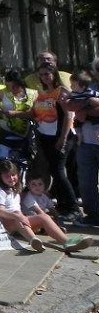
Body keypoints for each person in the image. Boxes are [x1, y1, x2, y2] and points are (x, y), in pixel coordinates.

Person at [0, 159, 90, 253]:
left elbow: (26, 195)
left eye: (13, 175)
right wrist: (17, 216)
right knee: (18, 214)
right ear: (0, 177)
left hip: (20, 222)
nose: (11, 178)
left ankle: (67, 242)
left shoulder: (15, 188)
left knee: (44, 217)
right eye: (7, 176)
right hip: (5, 223)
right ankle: (33, 240)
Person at [31, 62, 79, 220]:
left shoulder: (61, 92)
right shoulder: (42, 93)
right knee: (53, 171)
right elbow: (34, 113)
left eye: (47, 74)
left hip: (60, 136)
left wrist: (63, 138)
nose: (44, 77)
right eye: (41, 74)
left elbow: (68, 115)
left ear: (54, 74)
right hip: (46, 137)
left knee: (59, 171)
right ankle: (63, 205)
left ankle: (74, 207)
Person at [61, 71, 99, 226]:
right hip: (85, 143)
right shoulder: (88, 86)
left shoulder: (91, 92)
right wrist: (85, 107)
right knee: (86, 181)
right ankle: (93, 215)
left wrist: (83, 109)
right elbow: (70, 106)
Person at [0, 70, 36, 159]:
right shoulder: (2, 92)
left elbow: (34, 113)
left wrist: (15, 114)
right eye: (9, 86)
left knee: (23, 160)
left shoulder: (32, 93)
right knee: (3, 159)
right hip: (5, 131)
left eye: (16, 86)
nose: (13, 89)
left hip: (25, 133)